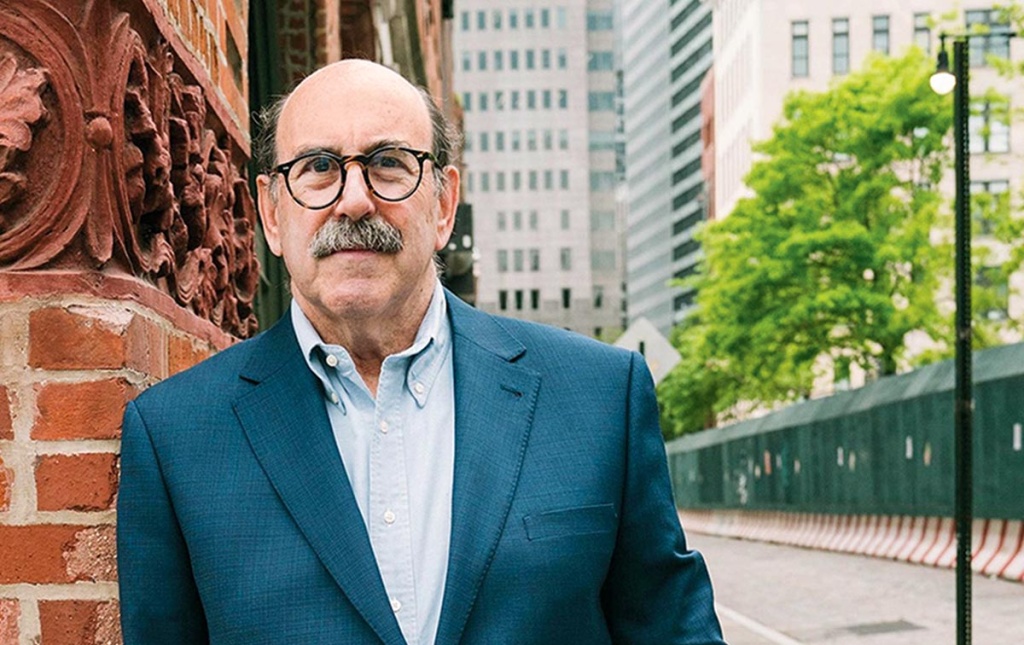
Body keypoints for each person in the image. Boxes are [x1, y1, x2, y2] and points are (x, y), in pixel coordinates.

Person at [116, 59, 724, 645]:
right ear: (272, 215)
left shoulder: (599, 398)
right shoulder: (175, 438)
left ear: (444, 204)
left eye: (387, 164)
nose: (353, 200)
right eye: (319, 167)